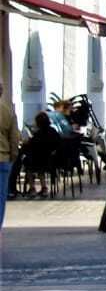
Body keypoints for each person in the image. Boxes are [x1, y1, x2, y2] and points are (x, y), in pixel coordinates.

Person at [16, 112, 61, 197]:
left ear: (38, 123)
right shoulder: (53, 131)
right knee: (41, 168)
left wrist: (25, 143)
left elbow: (29, 147)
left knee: (28, 165)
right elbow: (59, 144)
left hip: (36, 161)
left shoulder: (37, 135)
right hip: (51, 162)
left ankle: (32, 188)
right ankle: (44, 188)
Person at [0, 81, 19, 228]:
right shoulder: (8, 111)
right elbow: (14, 139)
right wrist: (13, 156)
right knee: (0, 197)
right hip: (3, 159)